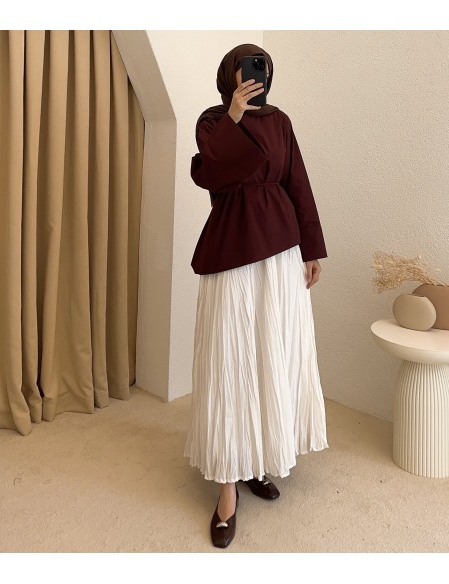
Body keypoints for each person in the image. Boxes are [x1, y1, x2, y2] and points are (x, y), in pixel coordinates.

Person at [183, 43, 329, 549]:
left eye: (262, 68)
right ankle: (227, 487)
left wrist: (312, 248)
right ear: (229, 75)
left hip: (281, 253)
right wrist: (234, 115)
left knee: (272, 357)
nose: (255, 75)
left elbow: (298, 183)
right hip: (232, 251)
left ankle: (256, 461)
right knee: (230, 363)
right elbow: (212, 175)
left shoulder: (282, 121)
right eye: (246, 69)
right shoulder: (212, 121)